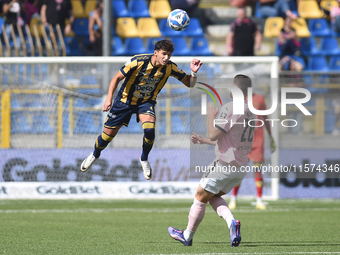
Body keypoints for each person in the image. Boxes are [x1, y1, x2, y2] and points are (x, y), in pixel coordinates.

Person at [80, 39, 203, 180]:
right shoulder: (138, 62)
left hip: (146, 102)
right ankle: (95, 154)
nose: (166, 58)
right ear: (155, 53)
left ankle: (144, 159)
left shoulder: (170, 67)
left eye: (169, 55)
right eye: (164, 54)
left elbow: (190, 84)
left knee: (150, 131)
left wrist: (193, 73)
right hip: (124, 101)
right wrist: (109, 99)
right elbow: (116, 78)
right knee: (107, 137)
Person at [168, 75, 256, 247]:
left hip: (224, 165)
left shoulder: (230, 107)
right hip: (241, 167)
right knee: (212, 196)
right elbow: (231, 138)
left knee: (200, 197)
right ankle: (232, 222)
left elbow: (214, 134)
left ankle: (187, 236)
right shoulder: (251, 111)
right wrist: (204, 141)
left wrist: (211, 116)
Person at [228, 93, 276, 210]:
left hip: (258, 139)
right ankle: (233, 199)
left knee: (257, 169)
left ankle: (259, 200)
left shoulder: (260, 98)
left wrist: (270, 136)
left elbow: (266, 118)